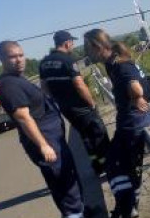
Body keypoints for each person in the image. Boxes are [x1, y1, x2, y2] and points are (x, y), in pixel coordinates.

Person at [0, 40, 90, 218]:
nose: (19, 59)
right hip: (45, 140)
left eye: (21, 55)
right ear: (2, 59)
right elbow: (22, 117)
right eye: (13, 56)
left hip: (51, 137)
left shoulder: (17, 79)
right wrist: (43, 145)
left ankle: (81, 214)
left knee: (67, 177)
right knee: (63, 182)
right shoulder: (9, 85)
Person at [83, 29, 150, 218]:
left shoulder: (120, 65)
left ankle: (126, 208)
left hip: (132, 122)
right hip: (130, 121)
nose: (86, 53)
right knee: (126, 166)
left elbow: (135, 85)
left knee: (116, 165)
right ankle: (128, 207)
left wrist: (138, 97)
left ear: (98, 47)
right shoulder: (112, 62)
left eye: (88, 48)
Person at [39, 30, 110, 176]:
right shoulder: (67, 60)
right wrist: (92, 103)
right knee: (98, 134)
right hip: (81, 107)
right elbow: (79, 84)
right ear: (66, 43)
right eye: (72, 42)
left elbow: (44, 87)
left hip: (66, 108)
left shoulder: (44, 63)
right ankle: (108, 164)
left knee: (85, 136)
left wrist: (58, 100)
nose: (73, 45)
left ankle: (97, 167)